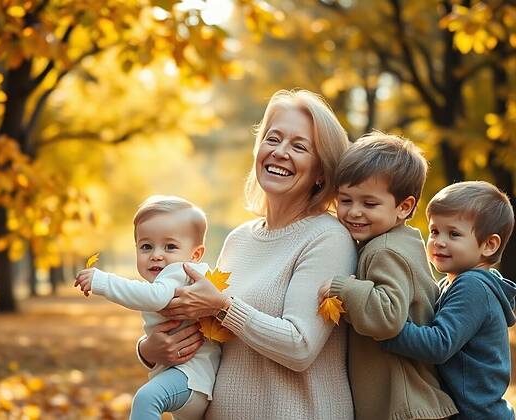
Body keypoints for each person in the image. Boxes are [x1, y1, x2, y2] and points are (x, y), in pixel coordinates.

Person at [137, 89, 357, 419]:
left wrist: (223, 305)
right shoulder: (238, 240)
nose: (280, 152)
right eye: (273, 139)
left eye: (299, 146)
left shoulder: (328, 238)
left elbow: (300, 347)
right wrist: (149, 351)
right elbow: (209, 341)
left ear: (322, 171)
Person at [318, 132, 458, 419]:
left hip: (404, 406)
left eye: (369, 204)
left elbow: (389, 317)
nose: (354, 212)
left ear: (404, 207)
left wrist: (343, 289)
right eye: (345, 200)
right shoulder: (401, 240)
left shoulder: (384, 250)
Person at [74, 195, 220, 420]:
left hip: (191, 376)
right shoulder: (173, 277)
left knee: (146, 398)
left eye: (170, 246)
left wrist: (102, 282)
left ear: (195, 254)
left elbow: (155, 298)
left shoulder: (180, 271)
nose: (156, 255)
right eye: (146, 246)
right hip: (180, 376)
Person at [381, 181, 516, 420]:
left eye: (454, 234)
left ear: (489, 244)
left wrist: (384, 328)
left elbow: (439, 344)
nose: (439, 241)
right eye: (434, 231)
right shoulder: (451, 283)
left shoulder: (472, 286)